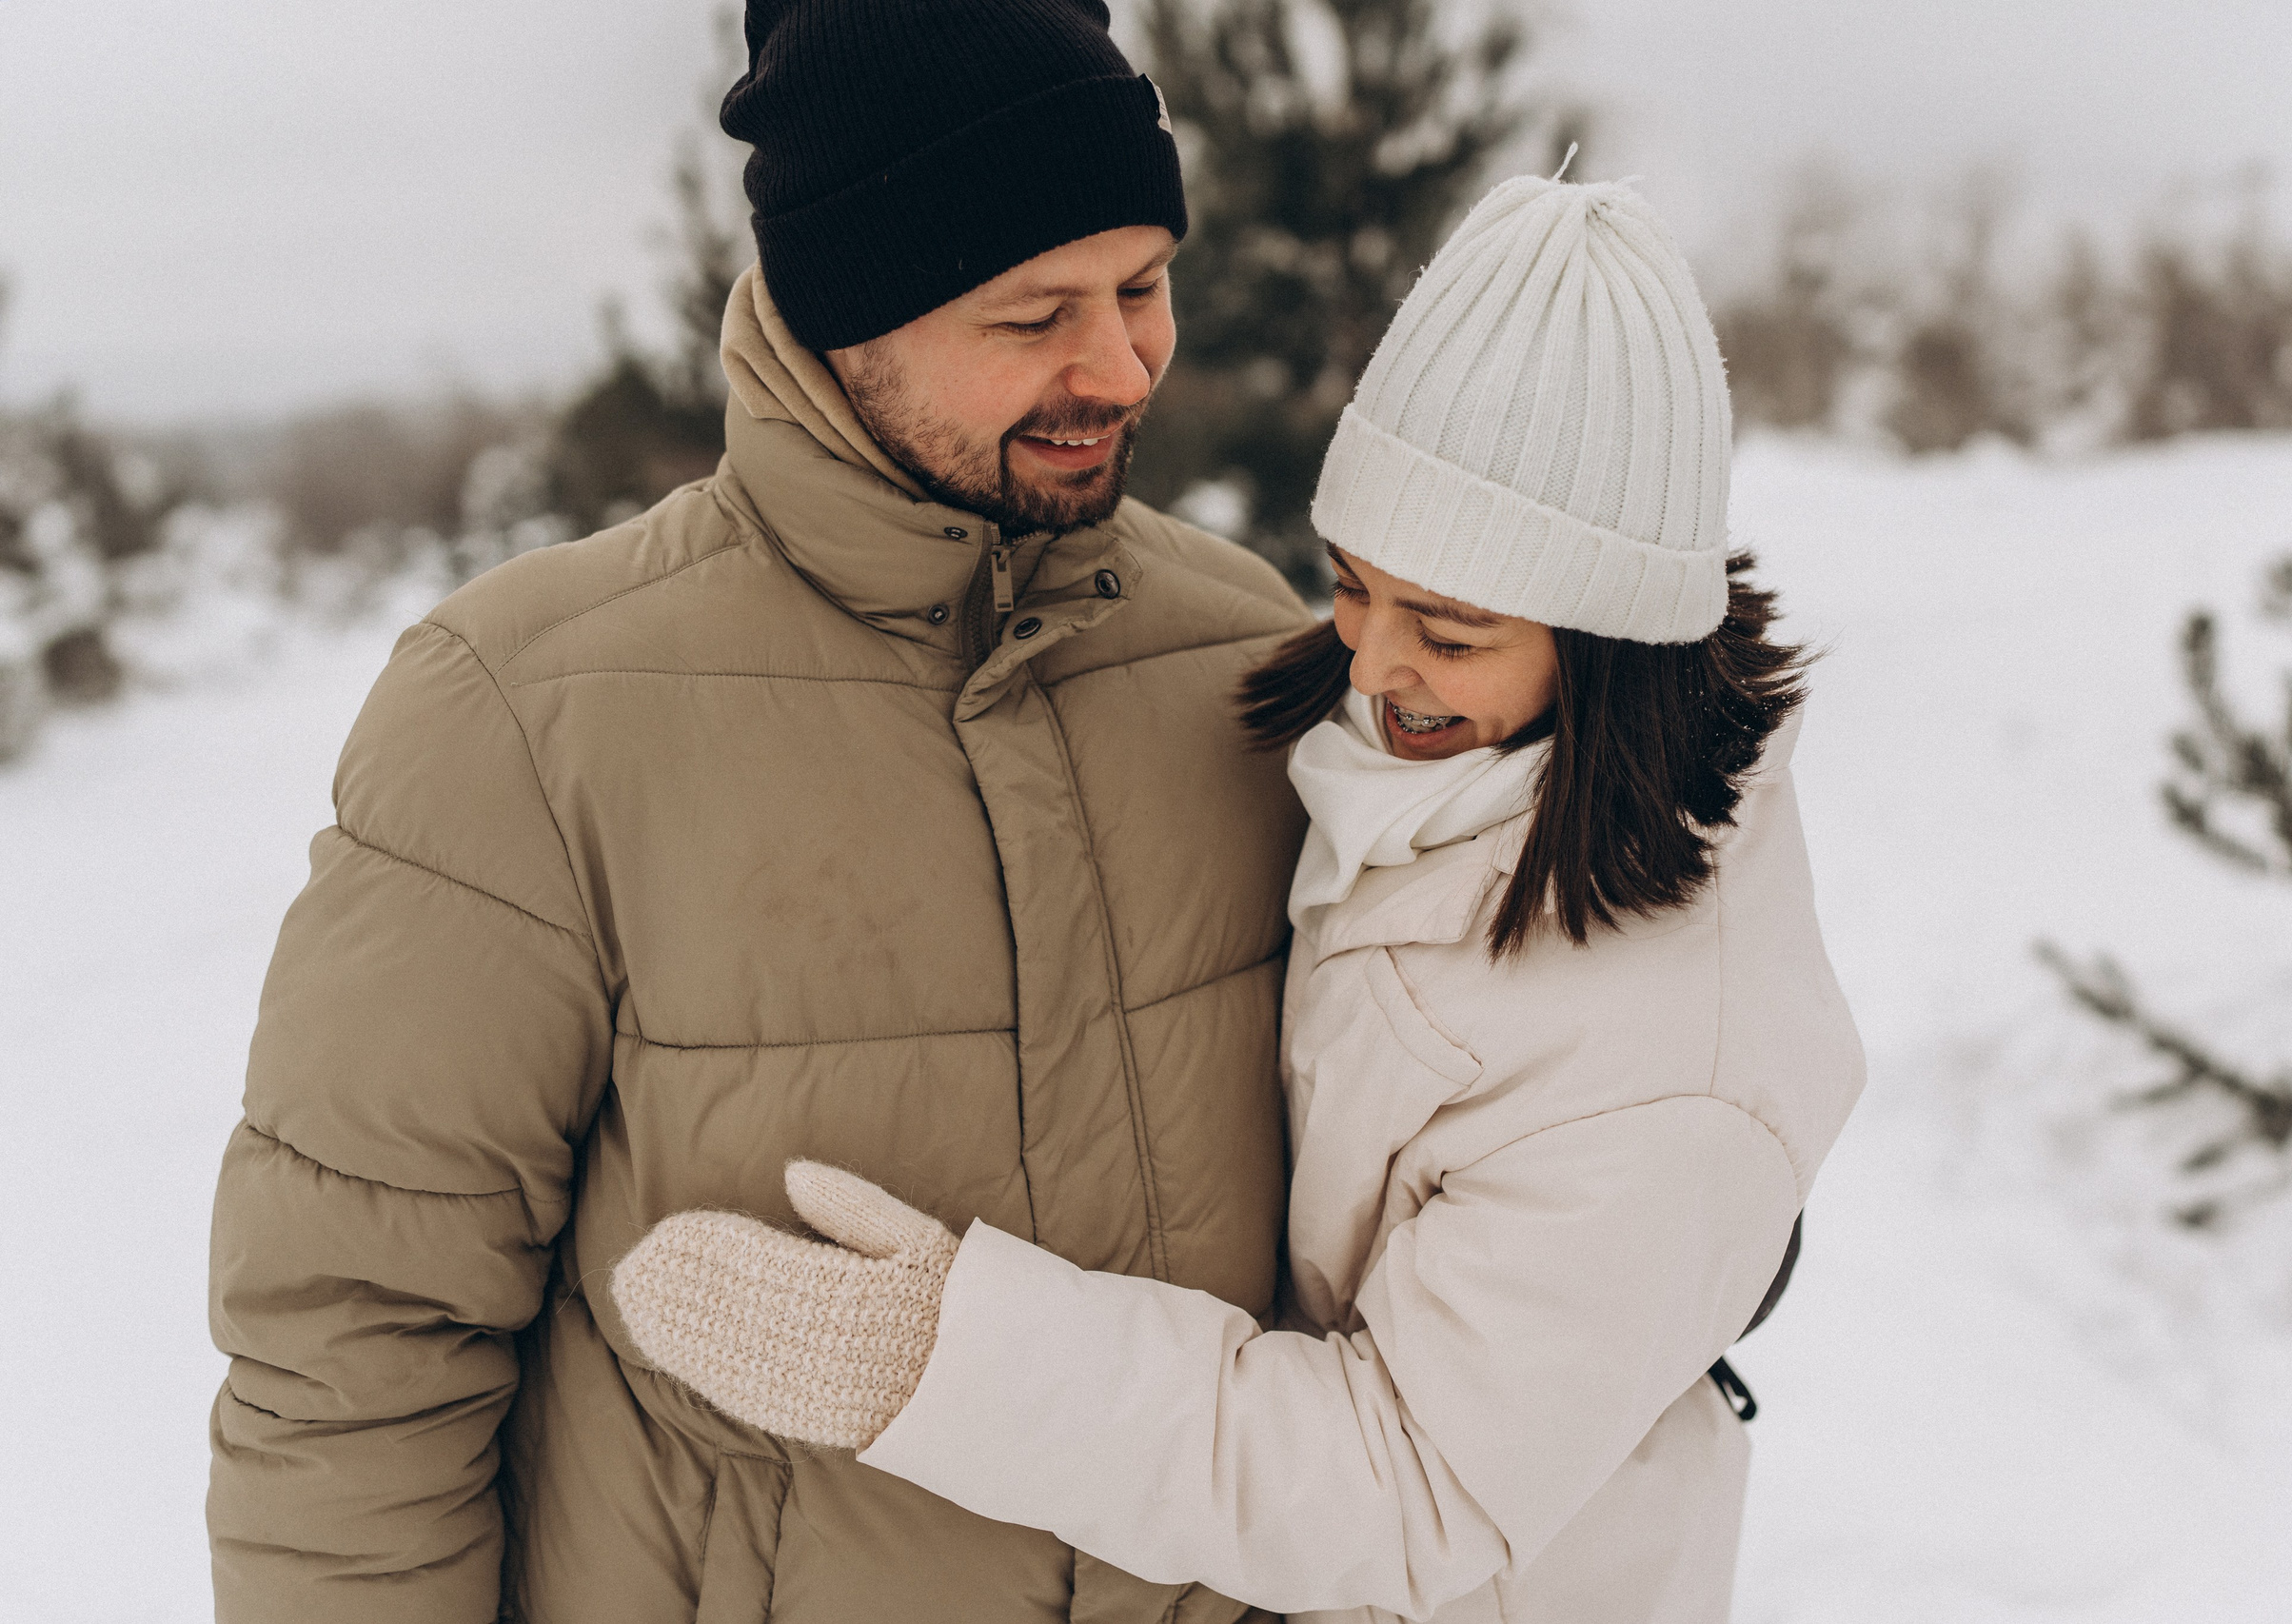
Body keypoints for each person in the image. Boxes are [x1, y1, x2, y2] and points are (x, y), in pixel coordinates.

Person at [610, 174, 1869, 1624]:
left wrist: (947, 1359)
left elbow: (1403, 1491)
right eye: (1352, 583)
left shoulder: (1658, 1079)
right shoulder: (1443, 778)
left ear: (1615, 645)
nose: (1374, 661)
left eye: (1450, 632)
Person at [203, 2, 1314, 1619]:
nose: (1121, 363)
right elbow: (359, 1345)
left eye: (1144, 287)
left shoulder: (1251, 654)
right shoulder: (528, 712)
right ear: (845, 305)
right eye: (1033, 314)